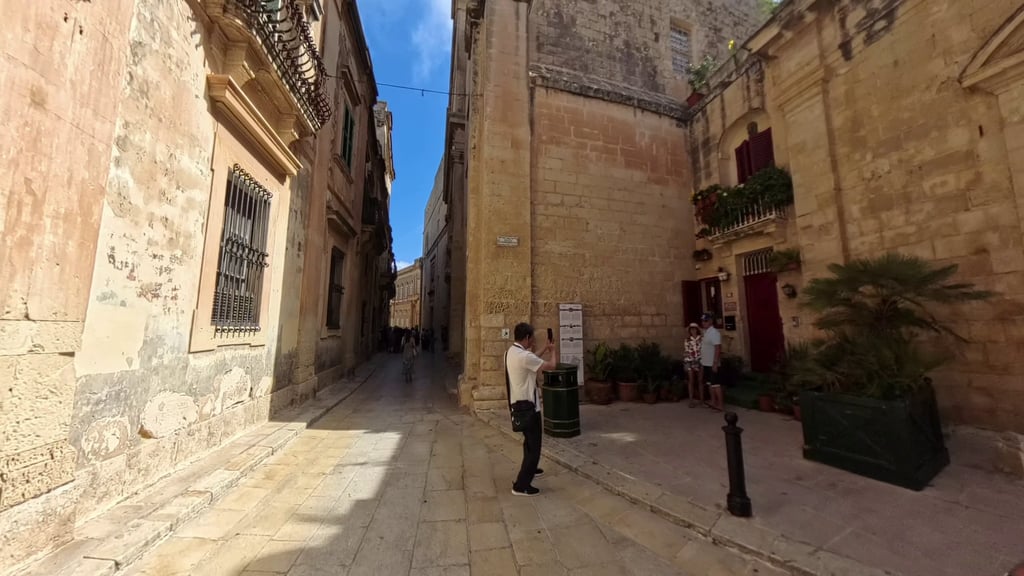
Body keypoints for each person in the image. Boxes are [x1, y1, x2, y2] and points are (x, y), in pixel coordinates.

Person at [505, 322, 557, 496]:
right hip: (529, 408)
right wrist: (553, 351)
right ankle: (521, 486)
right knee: (534, 447)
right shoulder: (524, 357)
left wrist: (543, 348)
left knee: (529, 443)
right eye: (532, 339)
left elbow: (531, 358)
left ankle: (531, 468)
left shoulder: (511, 352)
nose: (533, 342)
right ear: (527, 338)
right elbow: (551, 366)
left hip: (518, 405)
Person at [700, 312, 724, 411]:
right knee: (710, 383)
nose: (703, 323)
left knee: (716, 384)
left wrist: (715, 363)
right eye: (702, 321)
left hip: (712, 363)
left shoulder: (714, 333)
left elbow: (718, 348)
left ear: (710, 321)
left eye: (705, 321)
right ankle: (713, 402)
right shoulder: (706, 332)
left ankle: (720, 405)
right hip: (706, 363)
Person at [684, 323, 703, 408]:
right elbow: (687, 351)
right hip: (690, 361)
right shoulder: (687, 340)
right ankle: (691, 400)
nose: (693, 330)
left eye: (694, 329)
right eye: (691, 329)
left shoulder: (701, 339)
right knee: (691, 380)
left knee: (700, 380)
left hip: (700, 361)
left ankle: (701, 400)